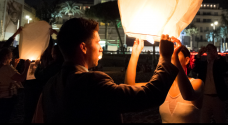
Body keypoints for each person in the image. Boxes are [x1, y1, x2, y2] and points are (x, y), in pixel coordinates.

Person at [35, 18, 178, 123]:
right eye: (97, 42)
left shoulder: (50, 85)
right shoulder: (91, 83)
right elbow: (149, 96)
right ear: (83, 47)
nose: (101, 48)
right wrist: (165, 59)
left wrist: (134, 55)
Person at [125, 37, 204, 123]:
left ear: (186, 60)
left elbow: (187, 95)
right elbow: (129, 88)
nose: (171, 57)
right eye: (170, 55)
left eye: (176, 54)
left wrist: (174, 56)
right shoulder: (162, 85)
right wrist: (134, 54)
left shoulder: (197, 83)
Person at [0, 47, 30, 123]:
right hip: (4, 100)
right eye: (10, 57)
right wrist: (27, 66)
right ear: (6, 57)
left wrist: (14, 66)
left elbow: (7, 76)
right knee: (4, 119)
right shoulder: (7, 68)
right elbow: (21, 78)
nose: (11, 59)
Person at [193, 44, 228, 123]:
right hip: (205, 97)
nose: (210, 52)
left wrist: (218, 56)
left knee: (220, 119)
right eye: (208, 50)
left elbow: (226, 68)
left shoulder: (218, 63)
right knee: (203, 120)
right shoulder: (203, 64)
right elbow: (195, 68)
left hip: (218, 97)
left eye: (212, 50)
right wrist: (199, 54)